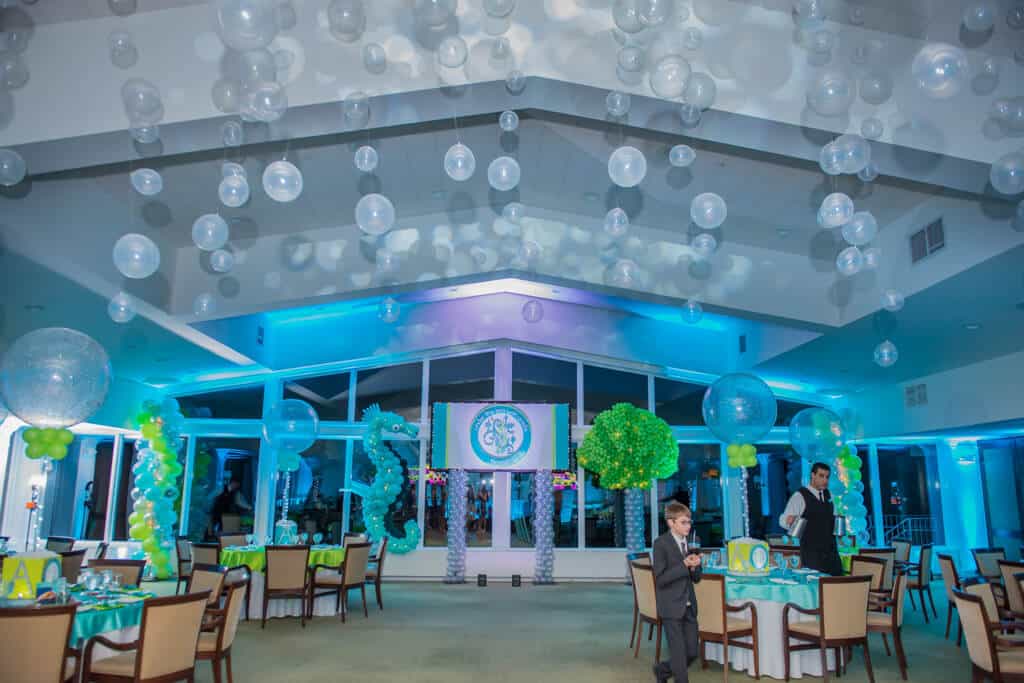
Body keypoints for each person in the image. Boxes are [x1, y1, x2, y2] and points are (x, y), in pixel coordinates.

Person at [651, 502, 703, 683]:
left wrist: (696, 566)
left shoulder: (690, 543)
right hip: (671, 605)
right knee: (679, 655)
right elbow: (661, 578)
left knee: (692, 652)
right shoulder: (660, 544)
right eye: (683, 522)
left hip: (689, 606)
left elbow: (696, 578)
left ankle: (662, 670)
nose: (688, 526)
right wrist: (684, 565)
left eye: (689, 522)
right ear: (671, 523)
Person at [779, 462, 843, 576]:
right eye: (821, 476)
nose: (825, 480)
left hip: (832, 554)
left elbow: (836, 522)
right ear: (813, 475)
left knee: (836, 587)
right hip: (811, 555)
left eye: (827, 477)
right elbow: (783, 520)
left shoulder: (830, 496)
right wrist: (788, 521)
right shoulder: (799, 496)